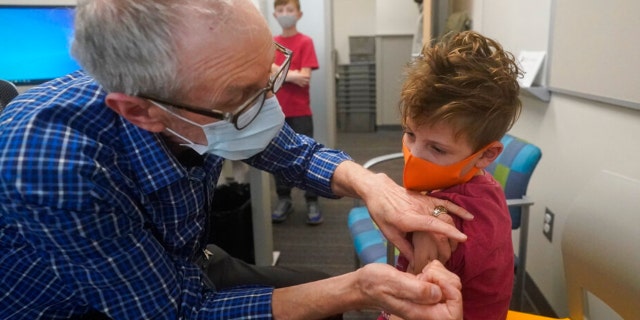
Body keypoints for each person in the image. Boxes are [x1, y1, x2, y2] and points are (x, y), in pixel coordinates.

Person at [0, 0, 471, 319]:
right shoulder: (52, 163)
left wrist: (375, 187)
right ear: (142, 111)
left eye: (270, 72)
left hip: (184, 261)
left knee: (318, 290)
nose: (269, 103)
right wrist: (361, 289)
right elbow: (175, 311)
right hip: (86, 304)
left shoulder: (198, 95)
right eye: (243, 95)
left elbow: (295, 153)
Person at [381, 31, 523, 320]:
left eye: (437, 148)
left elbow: (409, 311)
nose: (414, 154)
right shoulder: (485, 185)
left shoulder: (435, 229)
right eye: (410, 134)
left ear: (486, 154)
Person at [270, 0, 322, 225]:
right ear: (274, 14)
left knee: (306, 156)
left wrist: (279, 74)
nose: (285, 14)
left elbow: (305, 77)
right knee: (277, 157)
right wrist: (292, 75)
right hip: (275, 111)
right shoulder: (270, 43)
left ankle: (312, 200)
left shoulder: (305, 42)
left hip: (300, 110)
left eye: (289, 10)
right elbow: (269, 76)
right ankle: (284, 199)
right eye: (281, 10)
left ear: (299, 14)